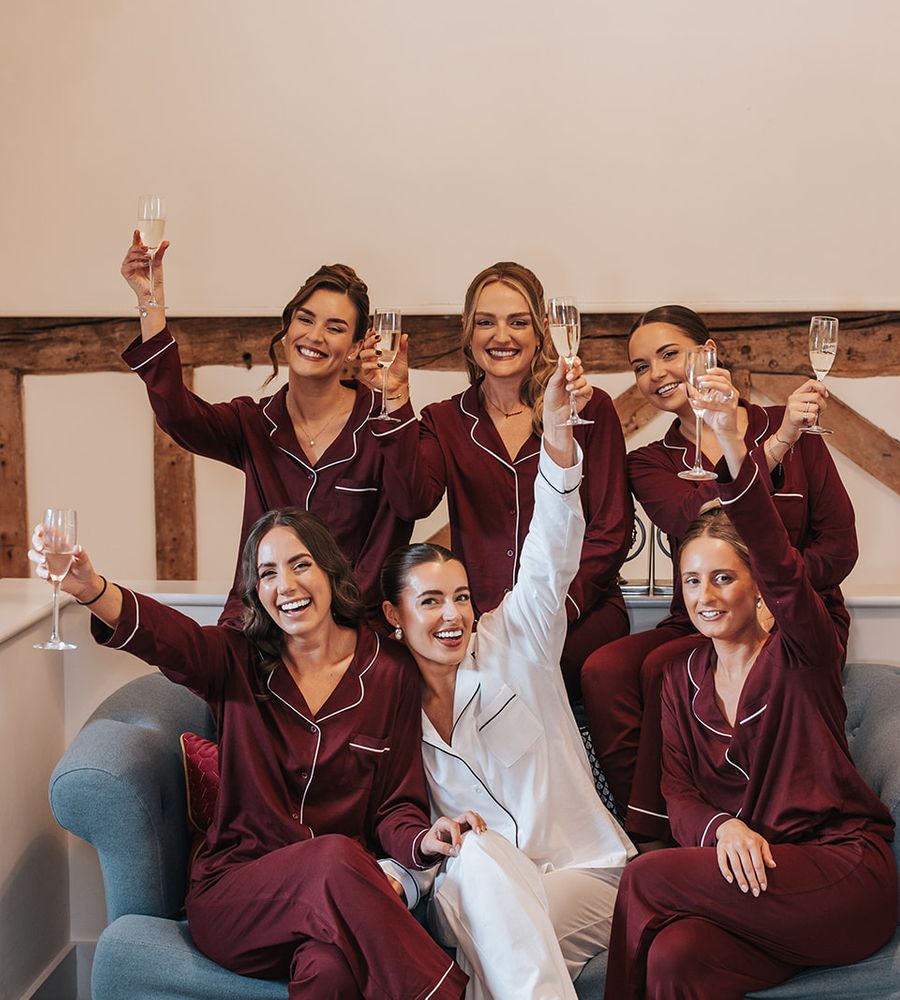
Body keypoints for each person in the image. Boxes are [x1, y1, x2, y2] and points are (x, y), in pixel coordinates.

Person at [31, 509, 470, 999]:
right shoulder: (234, 660)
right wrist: (92, 590)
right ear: (256, 591)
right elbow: (170, 638)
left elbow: (395, 803)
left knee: (330, 972)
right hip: (239, 896)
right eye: (267, 573)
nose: (286, 585)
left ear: (329, 570)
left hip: (338, 901)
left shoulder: (390, 674)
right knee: (332, 856)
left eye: (300, 565)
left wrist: (423, 840)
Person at [603, 376, 897, 1000]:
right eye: (690, 582)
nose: (704, 597)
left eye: (722, 579)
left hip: (840, 874)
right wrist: (721, 830)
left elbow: (782, 560)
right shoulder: (680, 678)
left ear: (758, 585)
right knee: (676, 957)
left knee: (646, 879)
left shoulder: (802, 651)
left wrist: (737, 452)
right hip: (758, 882)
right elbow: (678, 794)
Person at [379, 357, 635, 1000]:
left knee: (497, 927)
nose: (453, 615)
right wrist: (397, 872)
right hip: (469, 884)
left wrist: (556, 439)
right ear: (393, 615)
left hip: (585, 875)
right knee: (480, 861)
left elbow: (551, 550)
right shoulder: (384, 702)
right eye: (431, 601)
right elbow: (394, 815)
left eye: (461, 597)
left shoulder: (517, 636)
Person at [581, 305, 857, 835]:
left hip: (798, 621)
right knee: (604, 670)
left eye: (669, 355)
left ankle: (659, 834)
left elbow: (840, 547)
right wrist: (773, 450)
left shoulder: (795, 423)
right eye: (640, 366)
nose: (655, 374)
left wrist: (777, 593)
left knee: (662, 668)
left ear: (708, 354)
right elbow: (689, 514)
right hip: (703, 616)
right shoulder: (652, 462)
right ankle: (635, 820)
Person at [360, 261, 632, 697]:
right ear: (467, 331)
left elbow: (611, 530)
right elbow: (413, 502)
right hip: (478, 618)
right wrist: (394, 401)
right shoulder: (443, 420)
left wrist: (553, 607)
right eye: (486, 322)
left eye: (517, 322)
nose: (501, 337)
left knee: (536, 670)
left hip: (579, 610)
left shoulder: (588, 408)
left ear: (541, 329)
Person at [120, 234, 412, 625]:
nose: (315, 336)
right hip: (259, 629)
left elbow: (412, 503)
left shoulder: (385, 425)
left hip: (351, 639)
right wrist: (149, 302)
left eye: (335, 327)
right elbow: (178, 415)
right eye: (305, 319)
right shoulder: (252, 424)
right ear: (287, 327)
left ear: (358, 345)